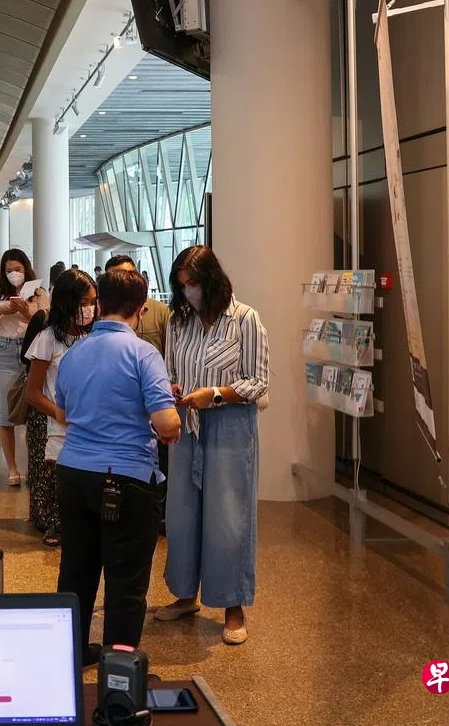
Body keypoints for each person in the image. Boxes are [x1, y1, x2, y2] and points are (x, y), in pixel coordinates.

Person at [53, 269, 181, 662]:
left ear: (99, 305)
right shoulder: (144, 354)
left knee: (76, 570)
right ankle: (119, 665)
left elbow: (63, 412)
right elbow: (166, 424)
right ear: (141, 309)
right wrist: (169, 414)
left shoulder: (74, 354)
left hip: (73, 474)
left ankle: (70, 653)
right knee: (126, 580)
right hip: (126, 480)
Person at [155, 245, 269, 646]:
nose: (189, 291)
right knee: (182, 514)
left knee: (228, 517)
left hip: (230, 427)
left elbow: (258, 381)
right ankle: (186, 594)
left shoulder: (245, 319)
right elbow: (169, 369)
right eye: (182, 285)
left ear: (212, 280)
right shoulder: (178, 321)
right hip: (186, 425)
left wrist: (216, 394)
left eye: (194, 283)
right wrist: (173, 388)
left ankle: (232, 605)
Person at [25, 270, 97, 548]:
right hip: (52, 418)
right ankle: (54, 523)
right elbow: (33, 392)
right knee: (54, 477)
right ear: (67, 303)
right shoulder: (47, 339)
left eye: (93, 302)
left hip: (87, 419)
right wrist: (58, 413)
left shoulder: (96, 336)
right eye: (83, 303)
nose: (89, 309)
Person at [105, 254, 173, 531]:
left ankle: (160, 514)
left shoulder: (160, 312)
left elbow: (170, 353)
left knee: (158, 463)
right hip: (119, 410)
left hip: (155, 403)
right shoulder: (100, 321)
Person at [0, 249, 47, 486]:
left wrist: (24, 310)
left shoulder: (39, 292)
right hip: (6, 350)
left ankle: (34, 466)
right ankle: (12, 469)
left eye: (17, 269)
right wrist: (1, 310)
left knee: (35, 411)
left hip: (34, 351)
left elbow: (45, 320)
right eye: (9, 270)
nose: (13, 274)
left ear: (26, 268)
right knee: (6, 413)